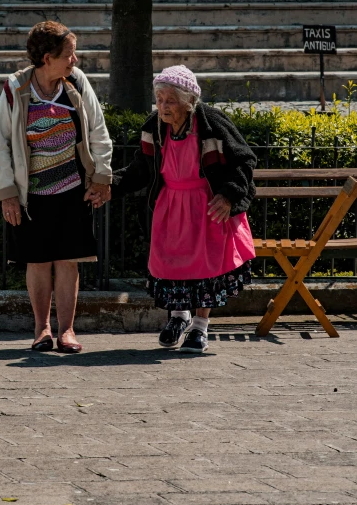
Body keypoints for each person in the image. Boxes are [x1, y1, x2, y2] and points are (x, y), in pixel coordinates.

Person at [110, 65, 256, 354]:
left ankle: (200, 328)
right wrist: (110, 186)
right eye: (160, 99)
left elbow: (244, 161)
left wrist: (228, 196)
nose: (163, 106)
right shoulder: (154, 126)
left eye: (170, 100)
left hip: (207, 205)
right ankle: (178, 317)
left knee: (205, 269)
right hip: (171, 206)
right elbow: (141, 168)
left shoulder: (212, 123)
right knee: (171, 264)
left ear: (189, 101)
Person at [0, 21, 112, 354]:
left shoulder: (76, 82)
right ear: (47, 58)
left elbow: (98, 130)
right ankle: (42, 328)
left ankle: (67, 330)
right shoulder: (16, 88)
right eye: (69, 55)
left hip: (73, 188)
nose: (75, 60)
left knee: (69, 261)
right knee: (38, 261)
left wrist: (102, 177)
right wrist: (8, 193)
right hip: (32, 194)